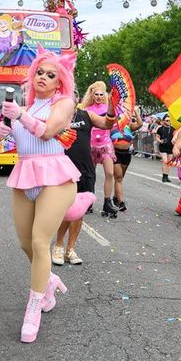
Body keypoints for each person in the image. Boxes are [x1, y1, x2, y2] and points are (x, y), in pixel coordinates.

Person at [0, 46, 81, 343]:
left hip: (56, 176)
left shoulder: (64, 103)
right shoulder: (23, 109)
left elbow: (47, 132)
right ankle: (49, 280)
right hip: (24, 175)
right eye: (39, 72)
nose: (43, 77)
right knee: (25, 242)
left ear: (60, 81)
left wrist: (19, 116)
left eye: (50, 75)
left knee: (41, 242)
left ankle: (34, 307)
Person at [53, 94, 115, 265]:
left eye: (72, 97)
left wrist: (111, 109)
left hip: (85, 170)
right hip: (63, 170)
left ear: (77, 100)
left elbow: (106, 124)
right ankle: (58, 246)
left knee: (79, 212)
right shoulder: (55, 115)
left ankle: (70, 249)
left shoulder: (86, 115)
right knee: (66, 210)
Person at [82, 81, 118, 217]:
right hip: (90, 145)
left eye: (101, 94)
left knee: (109, 173)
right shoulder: (86, 110)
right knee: (90, 175)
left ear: (105, 95)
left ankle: (107, 203)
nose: (98, 96)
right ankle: (88, 201)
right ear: (92, 95)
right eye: (95, 94)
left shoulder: (109, 108)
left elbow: (113, 124)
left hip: (105, 144)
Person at [111, 105, 143, 212]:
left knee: (120, 178)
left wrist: (136, 112)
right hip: (115, 153)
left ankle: (116, 197)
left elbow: (140, 124)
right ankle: (121, 202)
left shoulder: (129, 125)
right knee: (118, 177)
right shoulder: (112, 124)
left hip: (126, 154)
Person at [155, 115, 174, 182]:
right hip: (163, 147)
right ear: (163, 121)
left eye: (169, 120)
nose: (168, 122)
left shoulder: (172, 128)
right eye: (167, 120)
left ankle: (166, 176)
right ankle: (164, 176)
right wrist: (160, 141)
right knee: (165, 161)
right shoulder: (160, 129)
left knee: (169, 162)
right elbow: (157, 137)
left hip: (170, 147)